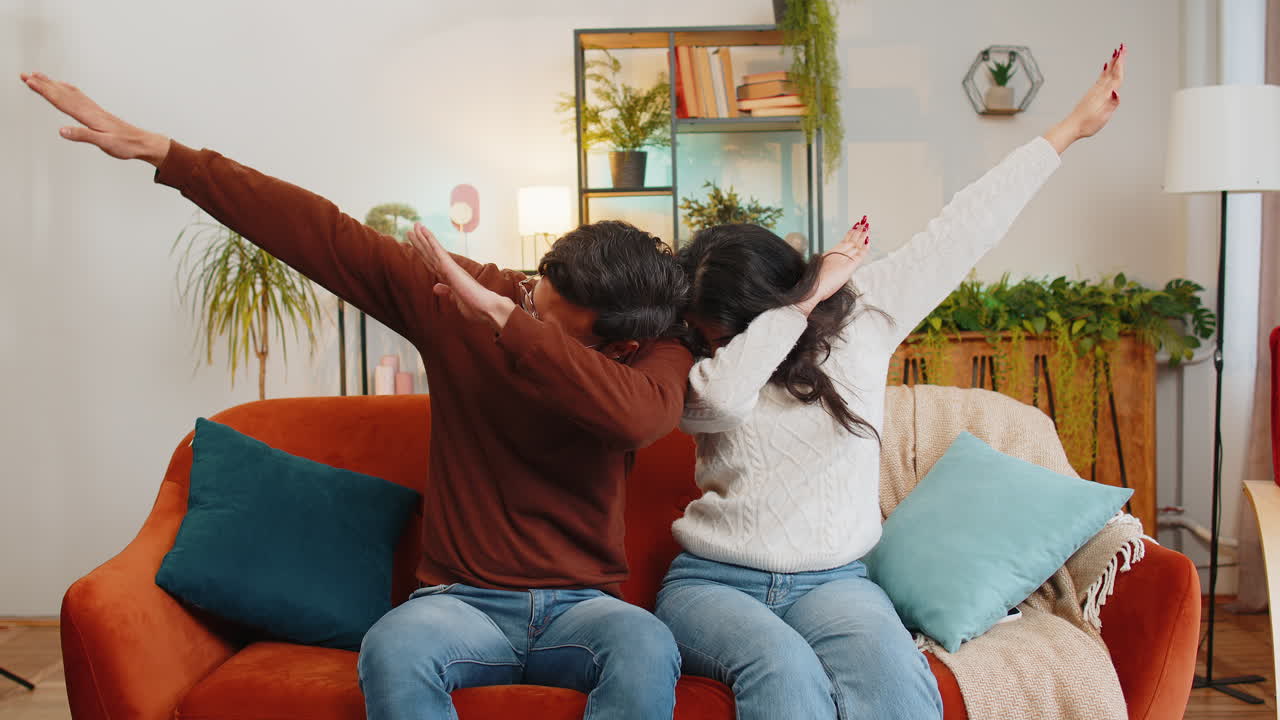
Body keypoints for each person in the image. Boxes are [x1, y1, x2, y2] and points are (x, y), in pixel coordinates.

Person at [21, 72, 693, 720]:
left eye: (544, 318)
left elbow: (635, 417)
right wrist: (169, 156)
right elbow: (322, 232)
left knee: (648, 645)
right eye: (527, 295)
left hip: (584, 609)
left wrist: (507, 323)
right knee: (394, 646)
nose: (521, 302)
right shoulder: (467, 297)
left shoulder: (651, 353)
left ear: (619, 347)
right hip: (461, 603)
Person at [655, 46, 1128, 720]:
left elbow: (966, 227)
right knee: (786, 676)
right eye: (708, 338)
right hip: (712, 585)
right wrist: (798, 305)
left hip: (835, 584)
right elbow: (725, 399)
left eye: (727, 332)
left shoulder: (864, 319)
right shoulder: (700, 369)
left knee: (900, 689)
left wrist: (1070, 129)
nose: (716, 349)